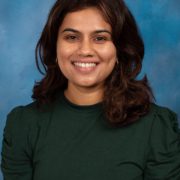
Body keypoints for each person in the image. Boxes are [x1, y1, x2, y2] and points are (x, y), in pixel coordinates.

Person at [1, 0, 180, 179]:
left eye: (100, 38)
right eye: (72, 37)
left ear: (119, 49)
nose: (85, 50)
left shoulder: (156, 129)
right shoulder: (23, 126)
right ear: (55, 47)